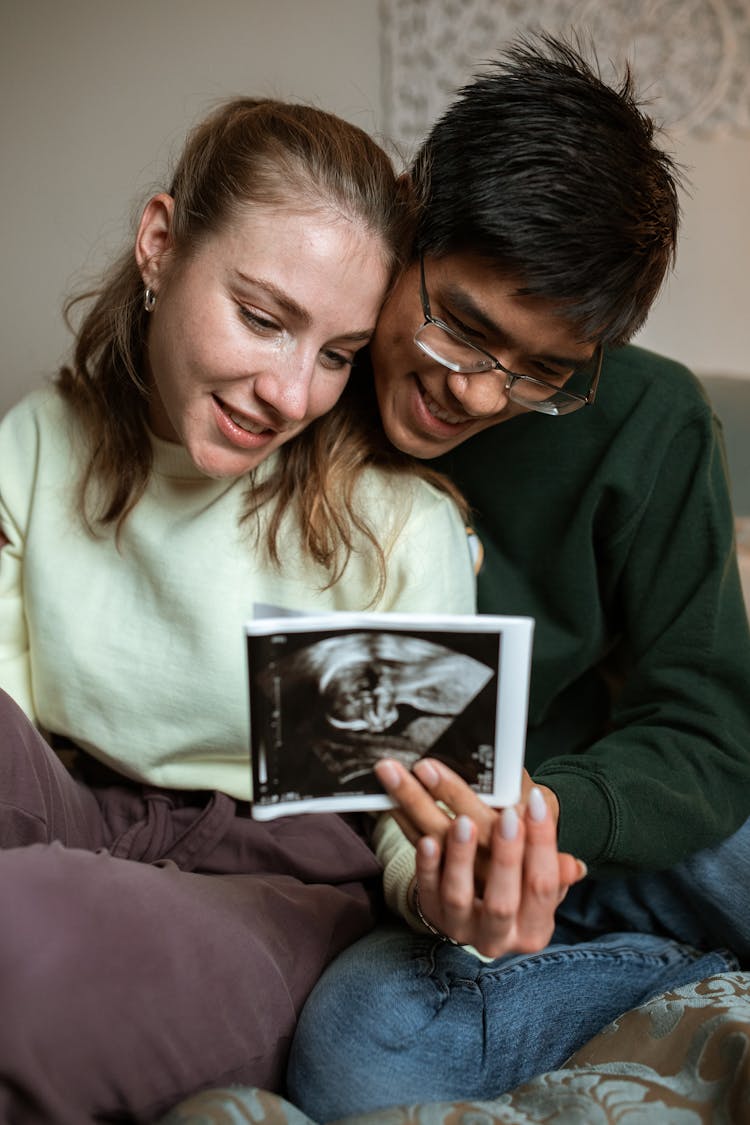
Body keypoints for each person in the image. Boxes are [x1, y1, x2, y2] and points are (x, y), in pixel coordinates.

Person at [286, 34, 750, 1119]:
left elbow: (708, 730)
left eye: (545, 370)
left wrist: (540, 811)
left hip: (591, 824)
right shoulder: (293, 380)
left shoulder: (649, 417)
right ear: (414, 214)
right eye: (462, 329)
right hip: (414, 889)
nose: (482, 397)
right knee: (359, 1059)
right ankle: (681, 979)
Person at [0, 96, 482, 1123]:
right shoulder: (39, 442)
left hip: (279, 882)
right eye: (264, 319)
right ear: (161, 245)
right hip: (78, 807)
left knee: (25, 924)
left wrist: (452, 882)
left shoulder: (397, 525)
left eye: (339, 353)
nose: (292, 393)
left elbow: (412, 821)